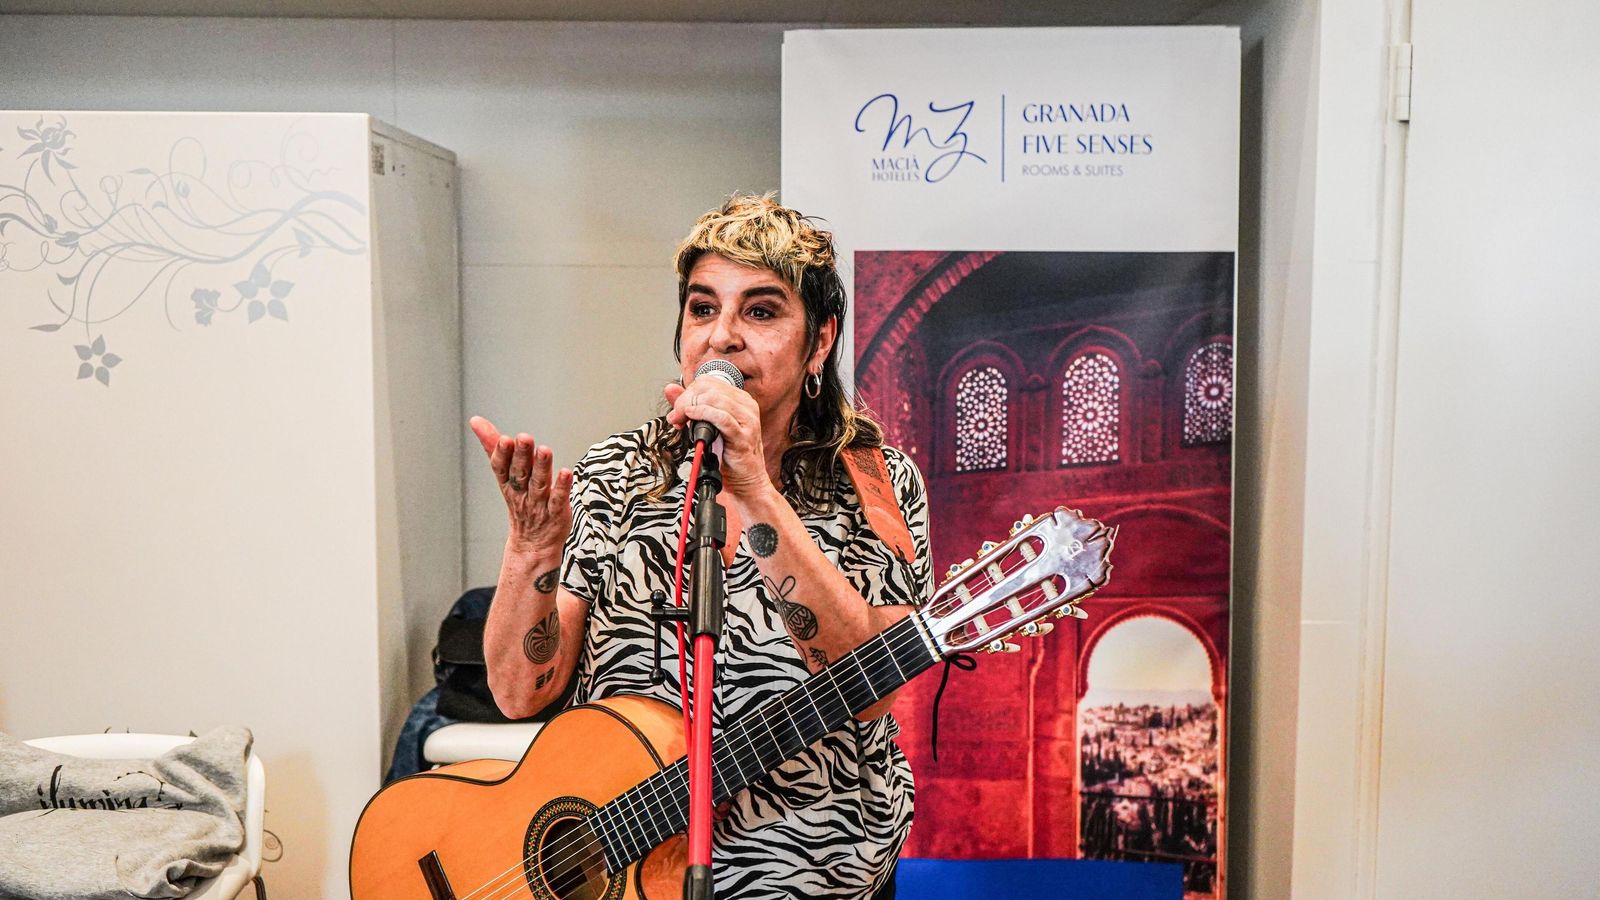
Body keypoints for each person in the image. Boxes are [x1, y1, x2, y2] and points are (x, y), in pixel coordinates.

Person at [473, 193, 932, 899]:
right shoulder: (620, 472)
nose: (722, 336)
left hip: (809, 874)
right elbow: (517, 690)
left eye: (761, 310)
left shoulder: (874, 482)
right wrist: (531, 552)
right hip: (623, 876)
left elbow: (870, 695)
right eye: (702, 308)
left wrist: (754, 488)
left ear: (821, 341)